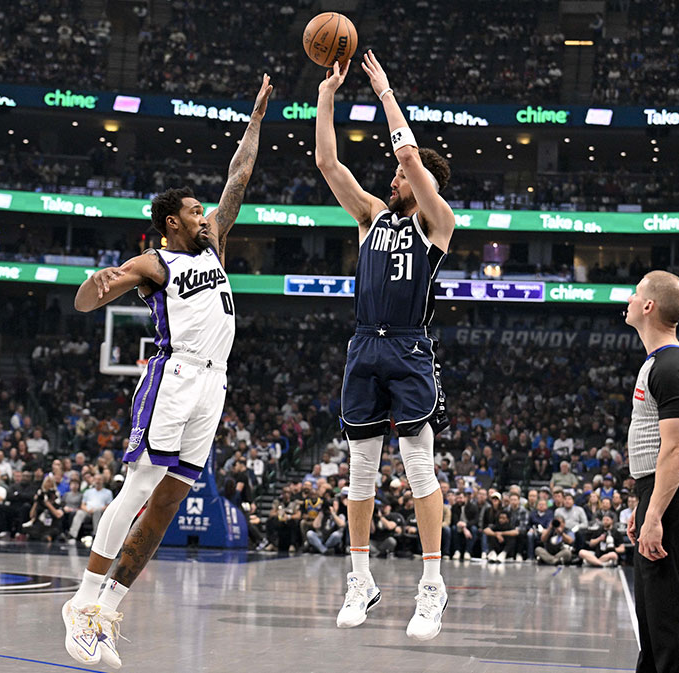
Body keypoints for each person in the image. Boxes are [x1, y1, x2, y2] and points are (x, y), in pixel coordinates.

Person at [60, 75, 271, 670]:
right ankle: (80, 602)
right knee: (139, 488)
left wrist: (255, 118)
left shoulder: (215, 246)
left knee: (168, 502)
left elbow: (238, 177)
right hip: (173, 378)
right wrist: (93, 285)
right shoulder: (156, 261)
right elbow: (87, 301)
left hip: (214, 383)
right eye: (195, 211)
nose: (206, 214)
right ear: (172, 223)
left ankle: (106, 612)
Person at [316, 51, 456, 642]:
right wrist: (327, 94)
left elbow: (408, 156)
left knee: (419, 465)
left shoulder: (438, 222)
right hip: (362, 348)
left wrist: (385, 91)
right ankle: (360, 578)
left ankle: (431, 584)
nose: (392, 177)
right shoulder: (371, 216)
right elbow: (327, 161)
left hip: (407, 349)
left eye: (402, 175)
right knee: (360, 473)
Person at [622, 270, 679, 673]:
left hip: (677, 497)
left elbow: (675, 450)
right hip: (660, 493)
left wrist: (654, 514)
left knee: (669, 617)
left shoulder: (671, 366)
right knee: (654, 617)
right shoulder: (661, 362)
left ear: (648, 305)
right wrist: (642, 507)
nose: (628, 298)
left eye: (635, 292)